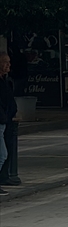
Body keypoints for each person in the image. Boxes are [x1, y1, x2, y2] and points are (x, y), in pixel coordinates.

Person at [0, 52, 17, 196]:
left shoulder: (5, 80)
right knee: (2, 154)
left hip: (6, 120)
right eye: (5, 62)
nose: (8, 65)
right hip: (1, 120)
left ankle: (4, 177)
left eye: (9, 62)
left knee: (5, 152)